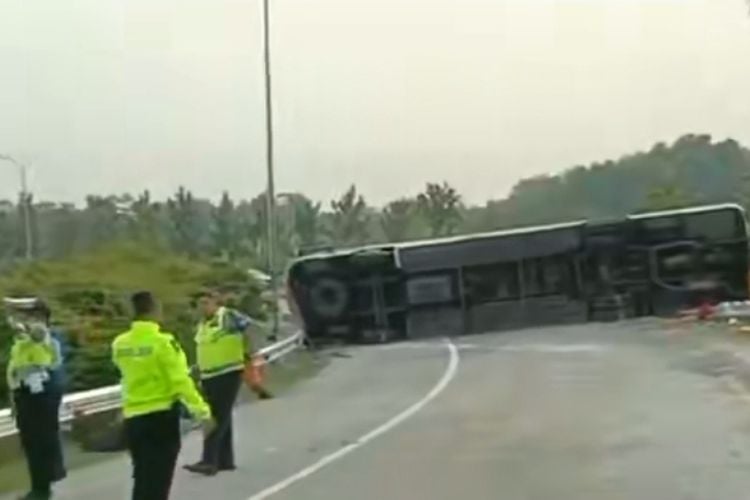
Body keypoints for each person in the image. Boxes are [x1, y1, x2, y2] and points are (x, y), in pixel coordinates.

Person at [112, 291, 213, 500]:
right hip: (161, 416)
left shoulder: (120, 344)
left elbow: (124, 375)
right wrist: (201, 411)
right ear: (153, 310)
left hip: (134, 416)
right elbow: (180, 381)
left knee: (141, 475)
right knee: (159, 477)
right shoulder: (163, 342)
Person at [184, 290, 258, 476]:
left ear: (216, 303)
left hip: (228, 372)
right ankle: (225, 460)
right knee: (223, 417)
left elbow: (250, 328)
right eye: (200, 303)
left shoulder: (228, 316)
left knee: (216, 417)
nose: (203, 307)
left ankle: (209, 461)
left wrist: (249, 352)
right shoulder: (203, 324)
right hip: (209, 376)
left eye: (206, 303)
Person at [7, 317, 64, 500]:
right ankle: (41, 485)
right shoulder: (19, 346)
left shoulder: (45, 342)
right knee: (32, 444)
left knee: (41, 442)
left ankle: (43, 487)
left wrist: (34, 332)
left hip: (40, 398)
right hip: (24, 397)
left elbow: (52, 360)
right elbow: (13, 375)